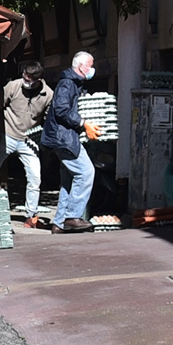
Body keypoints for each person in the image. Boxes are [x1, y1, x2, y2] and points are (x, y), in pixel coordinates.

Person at [40, 50, 104, 233]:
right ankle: (72, 216)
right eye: (90, 66)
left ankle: (59, 223)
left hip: (63, 138)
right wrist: (83, 123)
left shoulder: (74, 84)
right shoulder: (67, 84)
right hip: (64, 139)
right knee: (86, 172)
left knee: (68, 181)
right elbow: (61, 109)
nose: (92, 69)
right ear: (81, 66)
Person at [2, 60, 52, 229]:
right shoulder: (13, 86)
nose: (26, 81)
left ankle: (31, 216)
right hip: (8, 135)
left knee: (35, 178)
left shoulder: (48, 94)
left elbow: (48, 119)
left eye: (30, 78)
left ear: (38, 79)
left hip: (29, 140)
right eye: (24, 76)